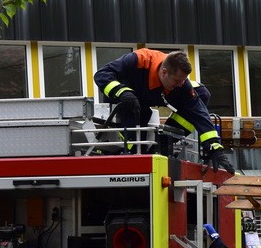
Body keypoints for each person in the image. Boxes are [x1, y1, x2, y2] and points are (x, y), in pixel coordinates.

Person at [94, 49, 235, 172]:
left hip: (147, 101)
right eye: (177, 80)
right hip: (128, 103)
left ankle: (163, 142)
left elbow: (199, 113)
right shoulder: (137, 60)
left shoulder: (181, 84)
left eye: (183, 81)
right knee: (134, 123)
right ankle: (132, 147)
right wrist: (122, 92)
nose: (181, 85)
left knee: (202, 94)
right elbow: (101, 74)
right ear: (164, 72)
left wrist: (214, 146)